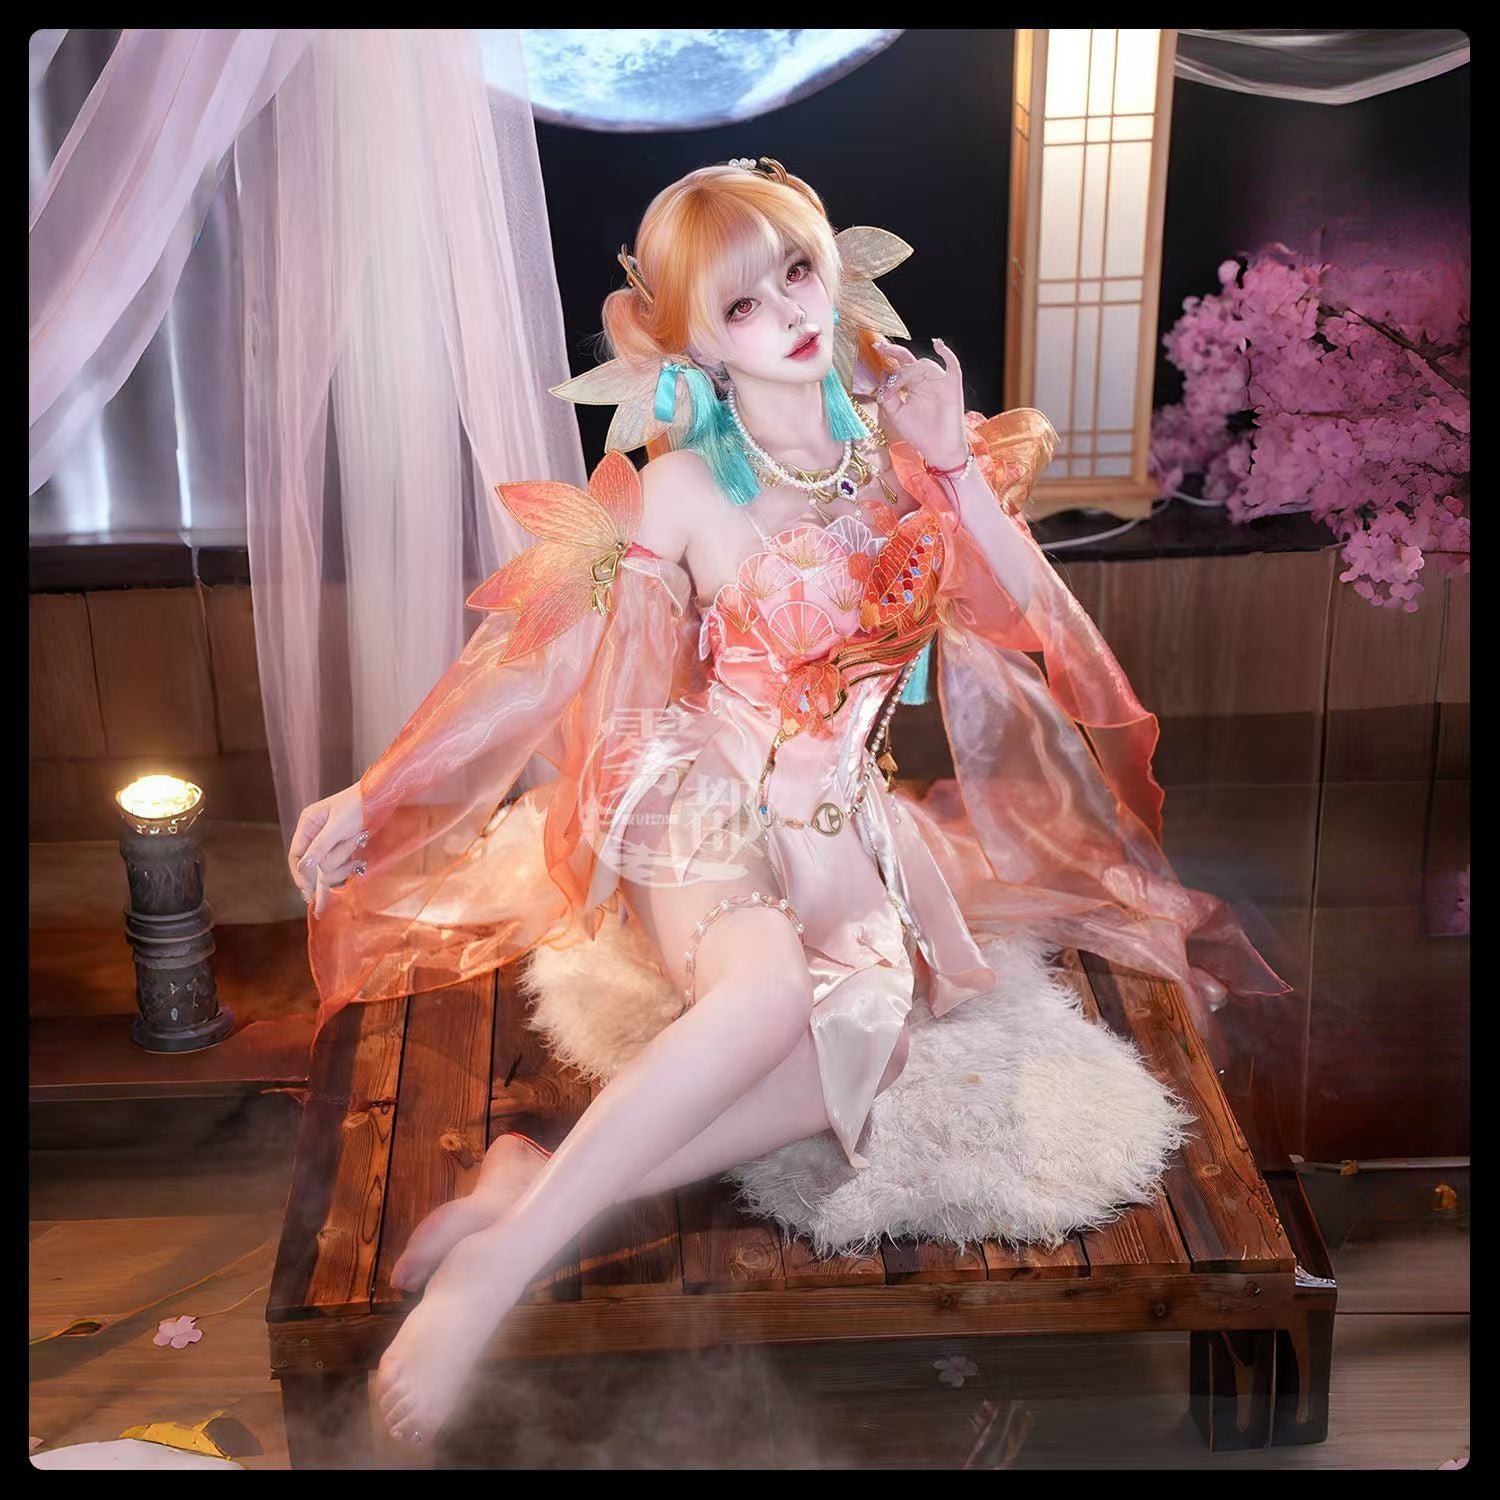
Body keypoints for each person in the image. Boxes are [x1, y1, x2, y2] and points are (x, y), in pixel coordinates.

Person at [286, 158, 1291, 1447]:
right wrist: (384, 789)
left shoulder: (902, 447)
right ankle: (501, 1272)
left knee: (860, 1055)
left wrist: (953, 469)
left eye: (800, 273)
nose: (791, 316)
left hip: (841, 818)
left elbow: (1021, 615)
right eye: (741, 307)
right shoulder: (681, 487)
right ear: (696, 344)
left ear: (834, 263)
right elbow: (535, 659)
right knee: (762, 996)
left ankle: (534, 1189)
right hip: (702, 801)